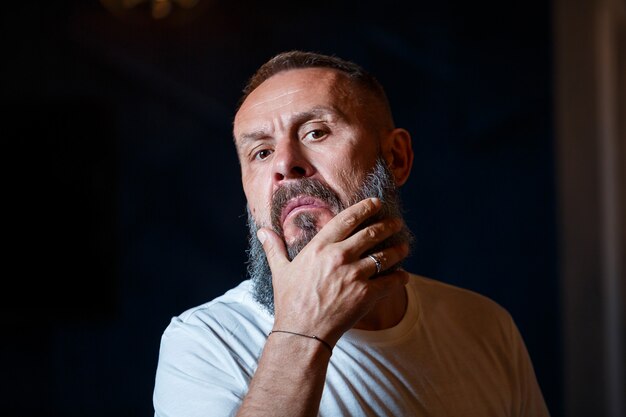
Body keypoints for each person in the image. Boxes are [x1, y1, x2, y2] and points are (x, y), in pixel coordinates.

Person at [152, 50, 550, 417]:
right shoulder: (204, 343)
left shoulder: (485, 327)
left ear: (395, 158)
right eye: (261, 152)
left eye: (316, 132)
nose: (285, 164)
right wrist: (303, 332)